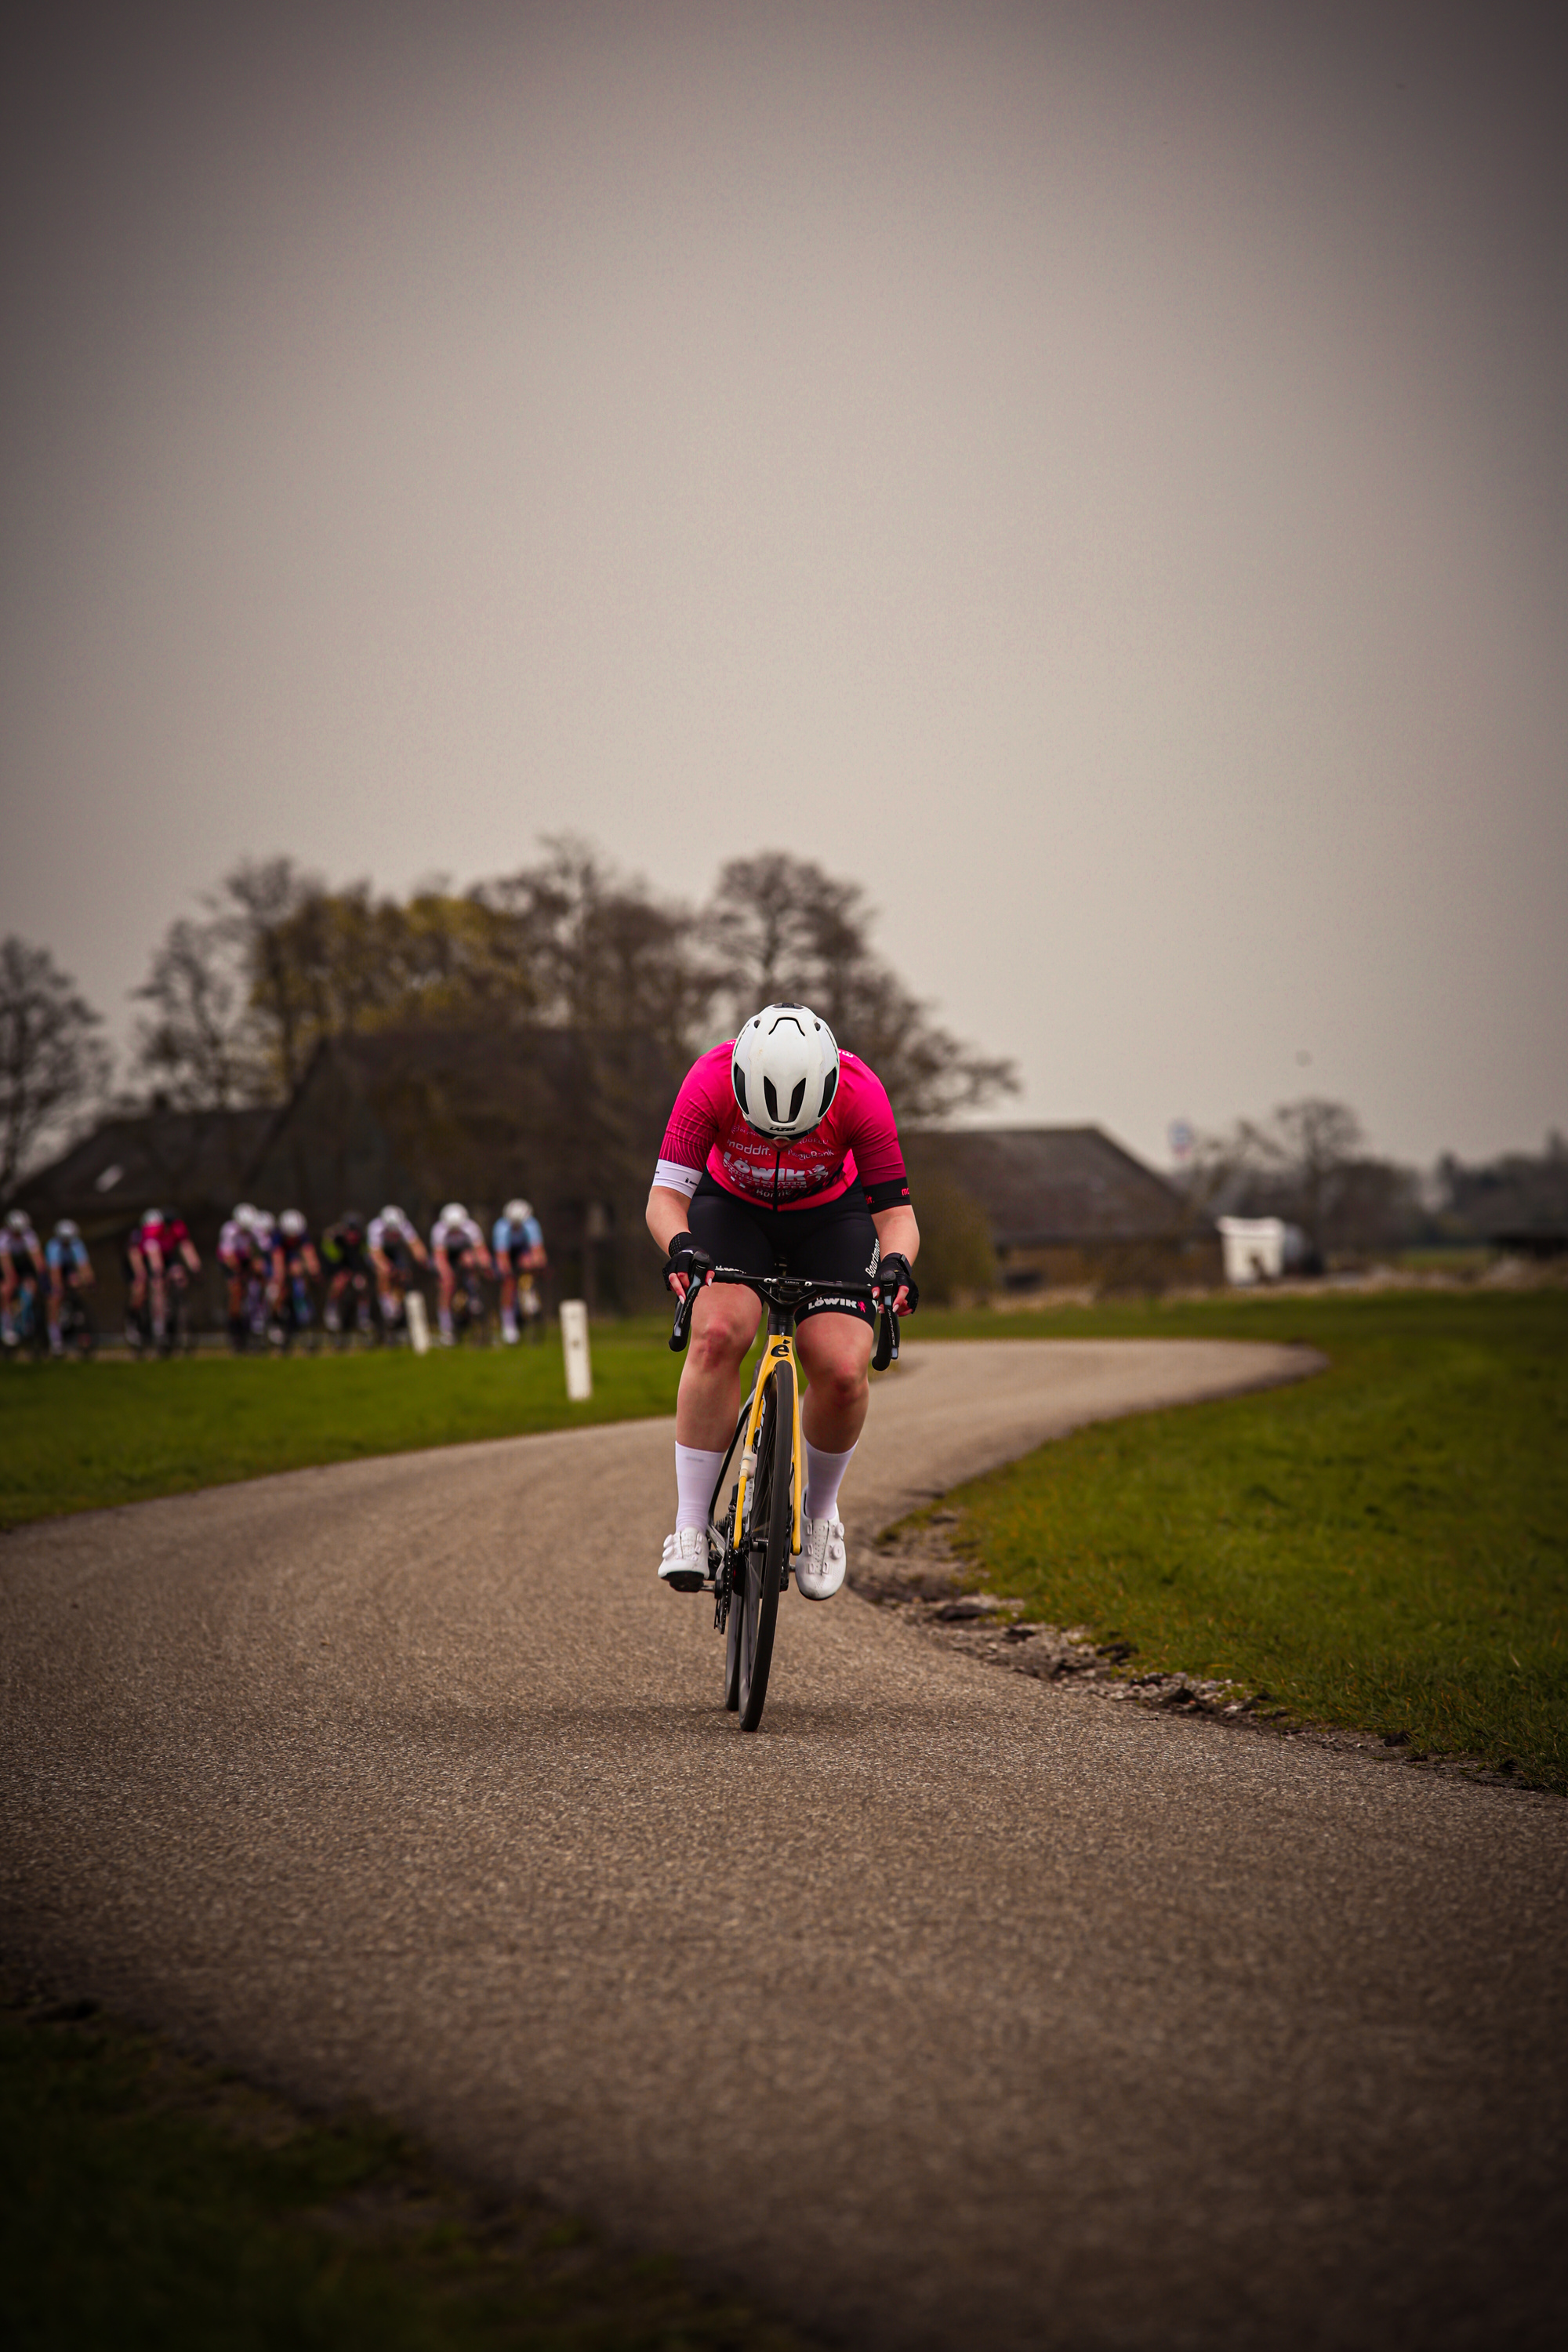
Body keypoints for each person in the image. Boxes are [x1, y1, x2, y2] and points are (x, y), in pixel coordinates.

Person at [645, 1002, 919, 1600]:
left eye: (797, 1132)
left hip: (833, 1221)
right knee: (718, 1334)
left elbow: (896, 1213)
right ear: (741, 1085)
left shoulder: (862, 1092)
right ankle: (690, 1527)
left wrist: (896, 1264)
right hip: (731, 1211)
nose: (781, 1141)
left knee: (844, 1369)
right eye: (767, 1128)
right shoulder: (708, 1080)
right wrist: (683, 1246)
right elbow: (665, 1196)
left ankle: (821, 1516)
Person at [429, 1200, 492, 1345]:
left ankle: (473, 1297)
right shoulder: (438, 1230)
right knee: (446, 1286)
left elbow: (481, 1252)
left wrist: (482, 1264)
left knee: (471, 1265)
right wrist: (446, 1274)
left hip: (465, 1255)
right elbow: (440, 1258)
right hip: (447, 1258)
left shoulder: (471, 1228)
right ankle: (446, 1329)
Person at [492, 1196, 547, 1343]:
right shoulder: (501, 1227)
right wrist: (506, 1271)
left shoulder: (532, 1225)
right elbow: (502, 1255)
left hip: (523, 1253)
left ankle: (530, 1298)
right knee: (508, 1285)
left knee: (530, 1269)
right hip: (508, 1255)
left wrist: (537, 1263)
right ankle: (509, 1327)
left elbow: (537, 1250)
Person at [367, 1203, 427, 1338]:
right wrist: (385, 1267)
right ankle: (386, 1306)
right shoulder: (375, 1227)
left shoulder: (404, 1224)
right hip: (379, 1253)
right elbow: (376, 1254)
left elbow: (416, 1245)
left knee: (404, 1274)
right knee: (384, 1272)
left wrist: (424, 1260)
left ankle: (398, 1302)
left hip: (395, 1252)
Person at [268, 1208, 320, 1347]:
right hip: (277, 1264)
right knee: (278, 1293)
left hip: (293, 1263)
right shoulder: (277, 1238)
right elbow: (277, 1261)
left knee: (301, 1286)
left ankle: (303, 1321)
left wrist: (313, 1271)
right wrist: (280, 1278)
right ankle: (274, 1321)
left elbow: (310, 1255)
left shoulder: (303, 1236)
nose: (293, 1239)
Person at [320, 1210, 373, 1339]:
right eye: (350, 1231)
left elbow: (364, 1261)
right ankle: (331, 1313)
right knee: (339, 1283)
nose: (352, 1235)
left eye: (355, 1232)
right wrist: (340, 1272)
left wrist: (357, 1273)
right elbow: (331, 1260)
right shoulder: (335, 1239)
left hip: (356, 1271)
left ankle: (363, 1317)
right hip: (339, 1270)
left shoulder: (363, 1241)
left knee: (361, 1284)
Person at [2, 1207, 49, 1351]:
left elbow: (37, 1258)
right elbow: (5, 1262)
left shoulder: (29, 1235)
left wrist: (43, 1275)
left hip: (23, 1264)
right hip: (6, 1265)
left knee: (32, 1287)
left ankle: (28, 1319)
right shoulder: (3, 1237)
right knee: (6, 1289)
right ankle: (7, 1327)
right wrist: (11, 1277)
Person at [45, 1218, 93, 1356]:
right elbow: (55, 1272)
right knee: (54, 1299)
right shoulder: (53, 1246)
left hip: (69, 1270)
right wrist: (58, 1287)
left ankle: (79, 1320)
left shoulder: (77, 1244)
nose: (67, 1241)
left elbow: (84, 1266)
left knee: (78, 1283)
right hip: (56, 1270)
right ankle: (55, 1340)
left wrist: (90, 1281)